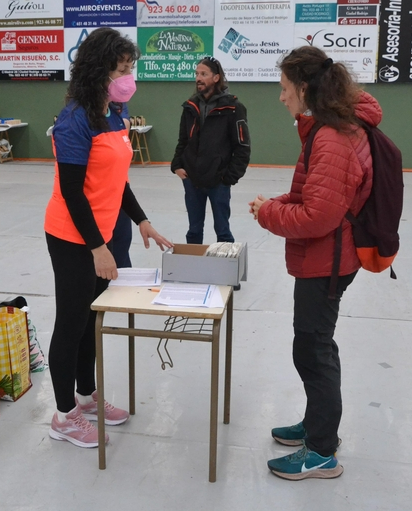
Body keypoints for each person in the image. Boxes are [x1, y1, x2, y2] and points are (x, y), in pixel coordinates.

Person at [248, 46, 382, 480]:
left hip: (328, 260)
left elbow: (317, 216)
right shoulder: (327, 128)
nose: (281, 97)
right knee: (316, 344)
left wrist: (269, 212)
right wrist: (278, 200)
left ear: (304, 88)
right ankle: (316, 426)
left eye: (284, 88)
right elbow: (314, 194)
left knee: (313, 349)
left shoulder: (332, 136)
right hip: (328, 257)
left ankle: (322, 451)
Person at [45, 28, 172, 449]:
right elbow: (71, 191)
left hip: (102, 233)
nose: (127, 76)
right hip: (72, 235)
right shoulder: (75, 120)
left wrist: (142, 220)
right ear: (98, 71)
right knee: (71, 321)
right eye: (120, 69)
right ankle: (63, 415)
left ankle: (86, 395)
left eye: (130, 68)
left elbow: (117, 181)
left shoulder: (115, 112)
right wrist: (97, 247)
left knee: (92, 319)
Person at [171, 56, 250, 245]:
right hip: (192, 180)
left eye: (204, 74)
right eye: (197, 74)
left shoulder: (233, 108)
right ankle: (194, 272)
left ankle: (226, 271)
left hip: (219, 182)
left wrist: (229, 178)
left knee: (223, 231)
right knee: (194, 231)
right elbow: (183, 140)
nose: (198, 78)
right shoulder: (189, 107)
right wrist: (176, 165)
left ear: (216, 78)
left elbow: (242, 146)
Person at [111, 102, 134, 268]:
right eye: (121, 73)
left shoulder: (117, 105)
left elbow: (124, 128)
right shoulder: (75, 121)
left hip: (119, 192)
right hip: (96, 203)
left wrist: (142, 220)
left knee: (122, 248)